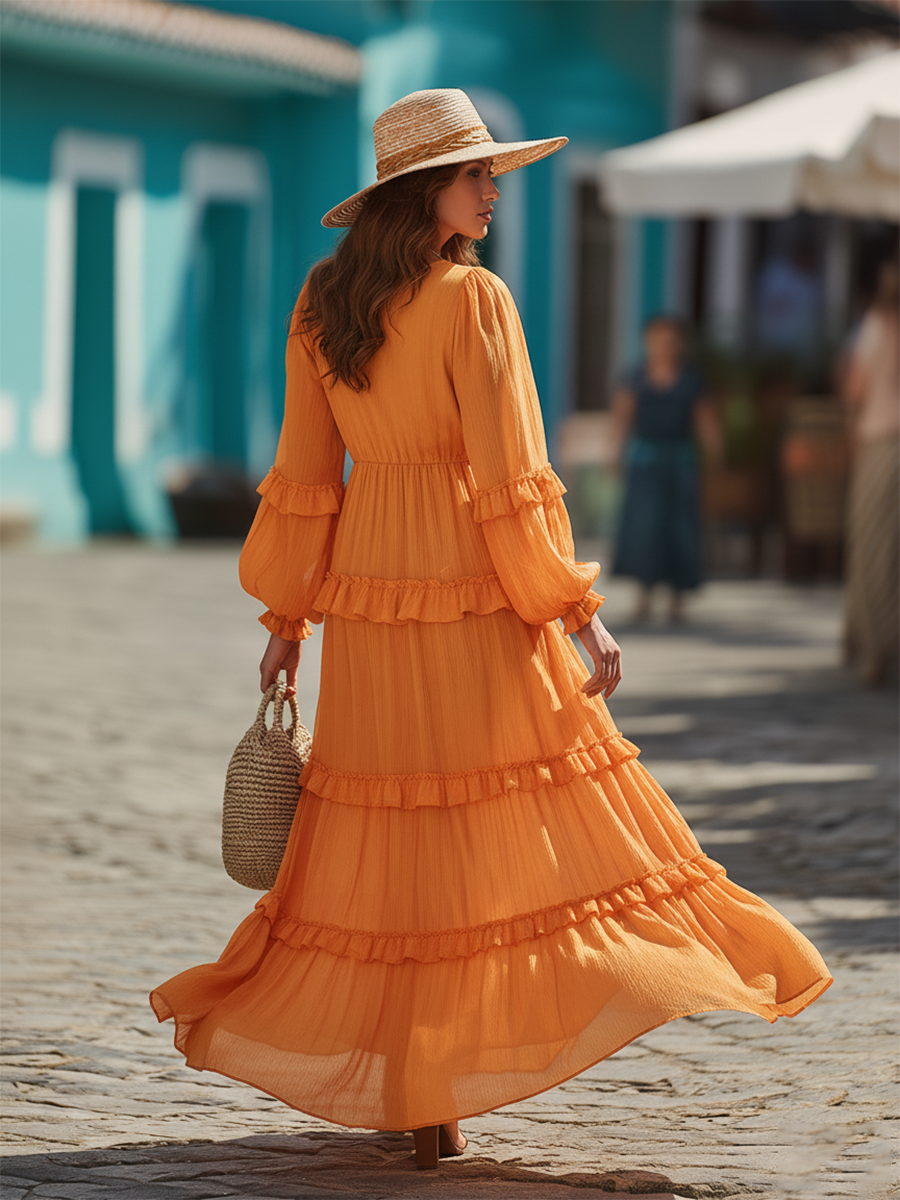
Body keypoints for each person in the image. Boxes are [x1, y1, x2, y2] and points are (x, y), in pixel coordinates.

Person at [150, 89, 831, 1170]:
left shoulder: (323, 303)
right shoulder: (476, 302)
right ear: (428, 192)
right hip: (466, 587)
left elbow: (304, 479)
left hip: (375, 596)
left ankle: (419, 1087)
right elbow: (513, 477)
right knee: (499, 819)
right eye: (479, 176)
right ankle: (441, 1079)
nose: (495, 191)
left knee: (398, 828)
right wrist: (575, 611)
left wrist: (290, 616)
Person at [610, 316, 723, 623]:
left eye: (670, 339)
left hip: (680, 464)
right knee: (644, 529)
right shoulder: (635, 377)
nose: (664, 345)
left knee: (680, 530)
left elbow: (706, 422)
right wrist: (615, 454)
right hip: (646, 464)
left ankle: (677, 598)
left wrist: (715, 457)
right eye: (658, 339)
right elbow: (622, 420)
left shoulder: (691, 380)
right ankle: (643, 595)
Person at [841, 257, 900, 687]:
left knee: (875, 547)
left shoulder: (879, 324)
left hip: (883, 441)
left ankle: (875, 649)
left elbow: (855, 387)